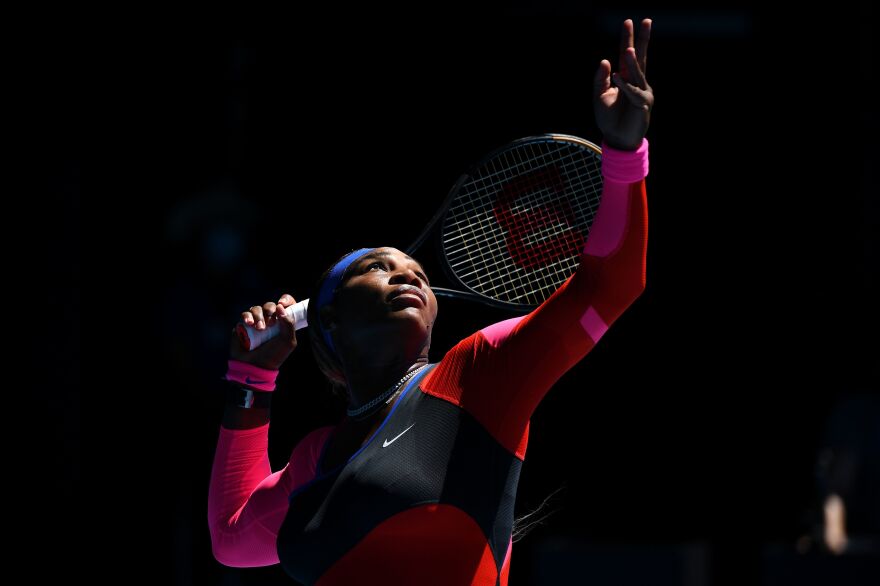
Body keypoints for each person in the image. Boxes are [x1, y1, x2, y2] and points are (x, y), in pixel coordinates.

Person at [208, 18, 654, 585]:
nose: (406, 276)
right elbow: (230, 539)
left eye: (414, 271)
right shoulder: (315, 460)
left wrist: (624, 152)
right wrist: (251, 377)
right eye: (377, 268)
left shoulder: (476, 375)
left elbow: (609, 286)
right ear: (329, 318)